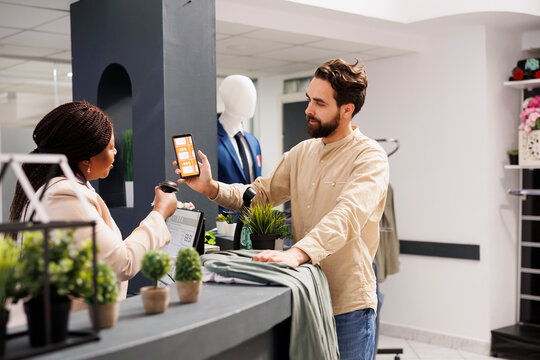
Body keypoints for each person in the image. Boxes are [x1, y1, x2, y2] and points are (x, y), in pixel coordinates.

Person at [176, 59, 389, 360]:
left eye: (319, 103)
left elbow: (348, 214)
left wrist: (297, 253)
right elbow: (260, 193)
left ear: (347, 109)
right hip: (307, 297)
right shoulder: (302, 153)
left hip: (348, 306)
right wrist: (211, 187)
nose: (308, 109)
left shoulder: (370, 158)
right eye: (308, 99)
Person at [10, 101, 178, 300]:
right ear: (86, 159)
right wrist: (159, 213)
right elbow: (123, 263)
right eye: (110, 147)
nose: (115, 153)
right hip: (70, 323)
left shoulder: (65, 187)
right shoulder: (64, 195)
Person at [217, 75, 262, 185]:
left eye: (253, 95)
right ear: (227, 97)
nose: (252, 101)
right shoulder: (211, 140)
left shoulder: (253, 142)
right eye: (245, 95)